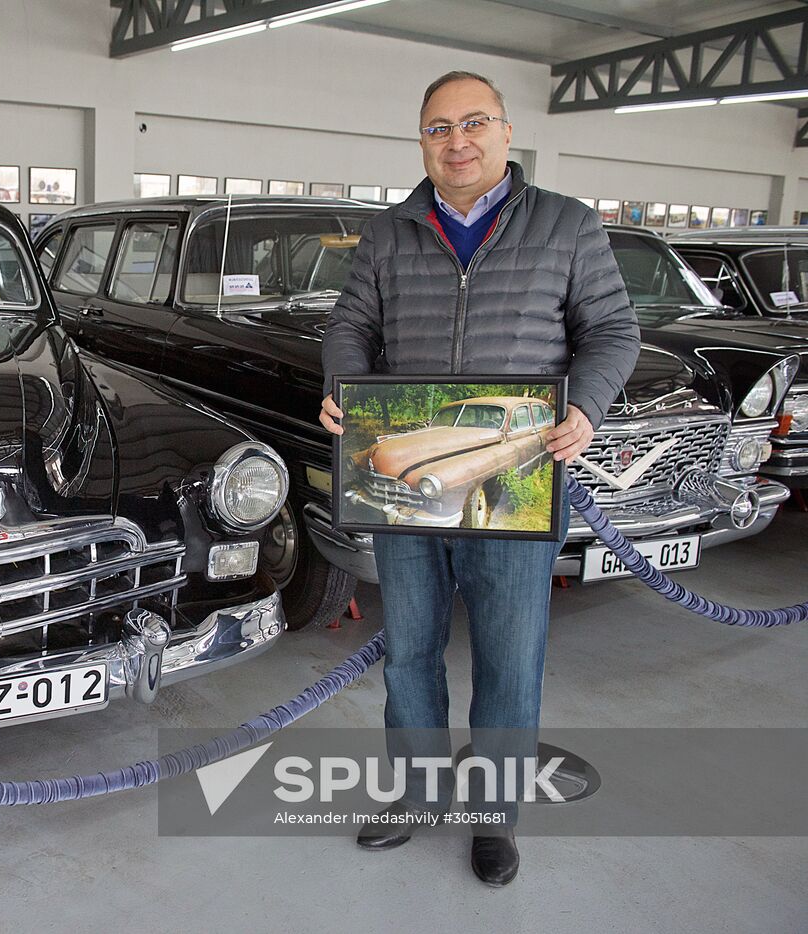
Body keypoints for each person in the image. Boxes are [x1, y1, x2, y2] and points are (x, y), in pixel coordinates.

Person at [317, 71, 641, 886]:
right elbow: (351, 324)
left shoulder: (567, 225)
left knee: (509, 655)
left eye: (472, 124)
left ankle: (495, 817)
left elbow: (612, 330)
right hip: (412, 498)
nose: (456, 142)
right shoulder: (390, 232)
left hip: (521, 483)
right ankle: (419, 795)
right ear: (421, 138)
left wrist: (589, 409)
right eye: (437, 128)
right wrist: (343, 394)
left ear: (504, 131)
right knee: (409, 652)